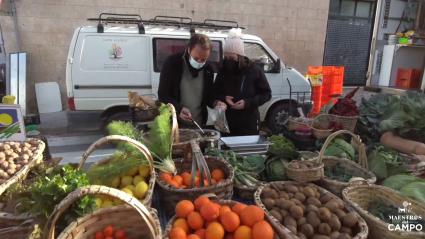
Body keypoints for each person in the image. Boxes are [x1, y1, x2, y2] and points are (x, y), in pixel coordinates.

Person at [158, 34, 226, 127]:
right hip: (175, 123)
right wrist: (179, 108)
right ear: (189, 50)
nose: (199, 62)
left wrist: (217, 103)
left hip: (198, 123)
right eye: (196, 58)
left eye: (203, 59)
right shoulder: (172, 63)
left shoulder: (208, 69)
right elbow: (163, 95)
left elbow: (208, 96)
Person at [213, 29, 272, 136]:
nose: (228, 60)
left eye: (232, 58)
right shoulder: (223, 71)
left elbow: (266, 94)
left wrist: (247, 102)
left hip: (249, 121)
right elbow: (214, 92)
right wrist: (223, 99)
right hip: (227, 121)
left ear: (240, 56)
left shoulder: (254, 70)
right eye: (226, 57)